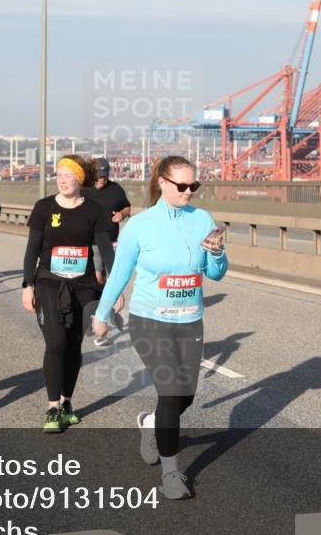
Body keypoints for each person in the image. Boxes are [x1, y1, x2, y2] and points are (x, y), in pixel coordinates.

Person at [92, 156, 227, 500]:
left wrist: (217, 253)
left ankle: (151, 424)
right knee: (170, 391)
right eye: (182, 186)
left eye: (193, 186)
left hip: (189, 319)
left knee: (185, 395)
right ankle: (171, 473)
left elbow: (215, 274)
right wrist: (103, 314)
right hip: (149, 319)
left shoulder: (203, 220)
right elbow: (120, 272)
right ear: (163, 183)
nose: (188, 192)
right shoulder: (140, 225)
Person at [21, 156, 119, 433]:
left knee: (74, 344)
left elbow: (106, 251)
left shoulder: (94, 210)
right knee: (56, 343)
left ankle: (66, 402)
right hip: (49, 283)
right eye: (58, 175)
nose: (62, 180)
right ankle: (52, 408)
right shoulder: (44, 207)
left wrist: (115, 288)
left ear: (80, 179)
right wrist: (27, 285)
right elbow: (32, 250)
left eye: (68, 175)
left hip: (84, 286)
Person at [81, 157, 131, 331]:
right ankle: (99, 309)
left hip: (112, 241)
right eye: (98, 176)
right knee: (98, 277)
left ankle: (101, 309)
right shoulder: (83, 189)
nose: (101, 179)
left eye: (104, 176)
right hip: (91, 241)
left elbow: (127, 207)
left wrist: (122, 215)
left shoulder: (115, 189)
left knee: (111, 276)